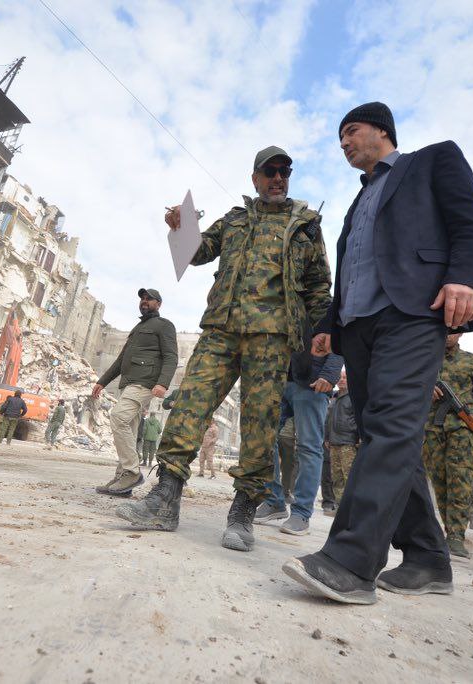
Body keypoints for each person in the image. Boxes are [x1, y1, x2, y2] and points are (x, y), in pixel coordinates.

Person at [283, 102, 473, 604]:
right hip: (359, 328)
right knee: (386, 434)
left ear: (382, 130)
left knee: (393, 427)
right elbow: (352, 269)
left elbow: (470, 222)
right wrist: (330, 326)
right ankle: (428, 558)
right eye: (339, 138)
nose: (344, 143)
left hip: (414, 314)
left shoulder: (433, 160)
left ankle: (351, 562)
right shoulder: (358, 201)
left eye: (351, 131)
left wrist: (467, 276)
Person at [116, 145, 332, 554]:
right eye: (270, 171)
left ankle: (243, 512)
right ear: (255, 178)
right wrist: (180, 229)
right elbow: (198, 253)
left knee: (260, 423)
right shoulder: (234, 219)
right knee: (189, 407)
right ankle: (164, 499)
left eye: (285, 172)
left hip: (271, 338)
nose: (278, 178)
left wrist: (325, 336)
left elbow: (320, 285)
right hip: (221, 330)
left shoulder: (306, 226)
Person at [422, 331, 473, 558]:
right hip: (431, 429)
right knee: (440, 482)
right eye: (446, 329)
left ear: (461, 333)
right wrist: (425, 387)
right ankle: (448, 530)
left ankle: (456, 537)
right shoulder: (424, 358)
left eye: (454, 330)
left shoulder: (472, 361)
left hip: (462, 430)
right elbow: (403, 383)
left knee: (460, 482)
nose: (449, 335)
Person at [92, 288, 178, 496]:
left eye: (149, 299)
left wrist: (163, 383)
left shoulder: (164, 325)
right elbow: (121, 360)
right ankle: (123, 481)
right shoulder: (137, 328)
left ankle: (131, 472)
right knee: (129, 430)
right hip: (129, 384)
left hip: (144, 383)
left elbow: (171, 356)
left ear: (158, 304)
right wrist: (102, 382)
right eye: (142, 299)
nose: (144, 301)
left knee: (118, 417)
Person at [254, 345, 342, 534]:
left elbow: (338, 338)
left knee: (308, 447)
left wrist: (329, 375)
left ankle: (301, 512)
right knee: (263, 440)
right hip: (277, 378)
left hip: (313, 381)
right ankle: (273, 500)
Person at [323, 370, 358, 514]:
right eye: (340, 377)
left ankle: (350, 510)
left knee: (349, 477)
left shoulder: (354, 397)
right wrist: (326, 437)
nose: (342, 380)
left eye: (345, 377)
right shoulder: (334, 397)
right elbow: (328, 420)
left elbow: (359, 419)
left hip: (348, 443)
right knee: (336, 477)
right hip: (333, 443)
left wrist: (357, 436)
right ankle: (339, 508)